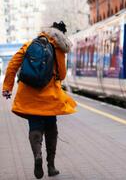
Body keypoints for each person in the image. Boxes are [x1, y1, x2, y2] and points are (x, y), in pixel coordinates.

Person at [2, 21, 77, 179]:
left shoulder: (30, 44)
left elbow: (12, 66)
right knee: (51, 129)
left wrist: (7, 88)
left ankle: (37, 155)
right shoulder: (58, 49)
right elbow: (62, 75)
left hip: (29, 95)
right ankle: (51, 166)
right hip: (50, 98)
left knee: (34, 126)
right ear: (61, 35)